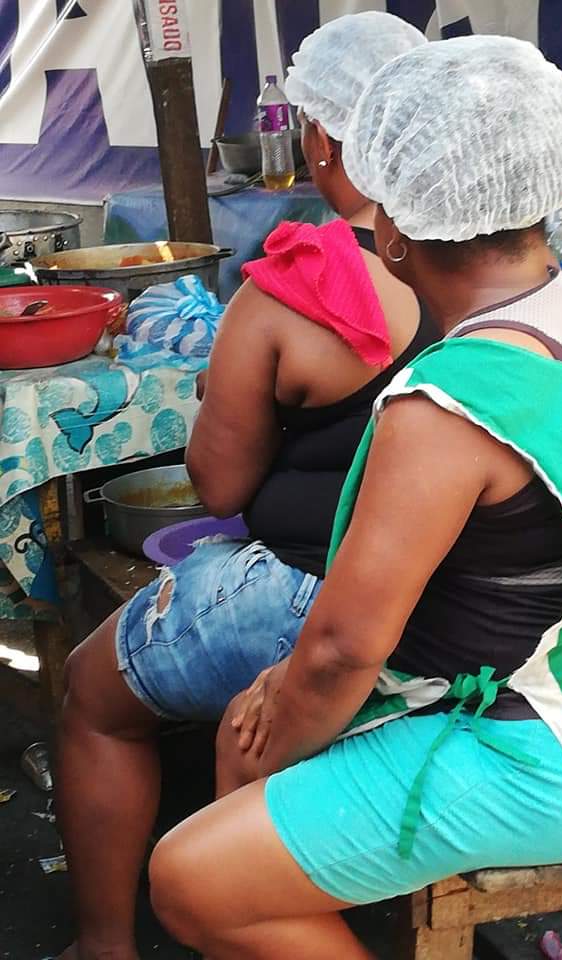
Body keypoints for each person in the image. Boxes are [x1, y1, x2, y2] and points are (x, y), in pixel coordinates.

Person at [148, 35, 562, 960]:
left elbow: (338, 650)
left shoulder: (449, 403)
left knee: (189, 875)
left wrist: (282, 730)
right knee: (251, 741)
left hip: (550, 755)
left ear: (395, 228)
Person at [55, 13, 434, 960]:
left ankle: (104, 945)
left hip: (317, 600)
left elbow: (216, 484)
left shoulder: (297, 284)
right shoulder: (486, 266)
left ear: (325, 137)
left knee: (91, 695)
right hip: (458, 596)